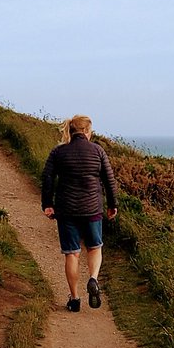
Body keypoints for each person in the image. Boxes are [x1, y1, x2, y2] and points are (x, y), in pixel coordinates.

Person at [40, 115, 119, 312]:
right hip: (92, 209)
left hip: (66, 210)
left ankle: (74, 299)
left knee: (72, 254)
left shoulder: (58, 152)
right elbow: (110, 180)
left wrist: (47, 204)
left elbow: (47, 178)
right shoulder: (98, 151)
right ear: (87, 132)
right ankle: (93, 279)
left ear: (71, 131)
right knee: (94, 248)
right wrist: (112, 204)